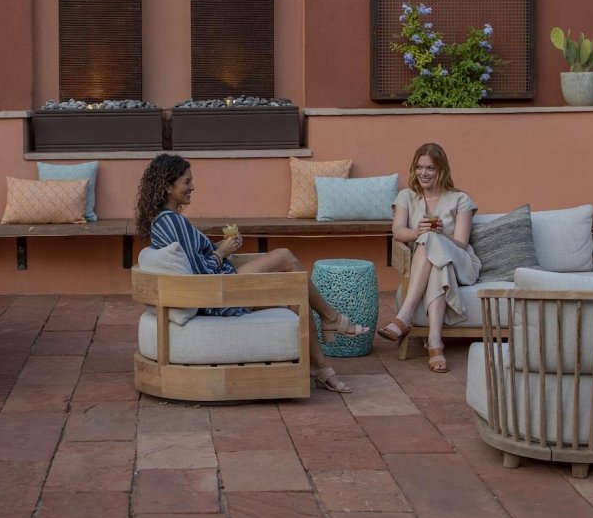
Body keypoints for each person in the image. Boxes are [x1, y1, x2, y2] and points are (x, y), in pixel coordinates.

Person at [134, 153, 369, 393]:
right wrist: (222, 252)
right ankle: (330, 323)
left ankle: (322, 359)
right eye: (186, 182)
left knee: (294, 284)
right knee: (286, 257)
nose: (193, 187)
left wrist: (222, 248)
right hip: (217, 294)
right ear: (166, 186)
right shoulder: (172, 221)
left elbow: (196, 260)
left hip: (219, 283)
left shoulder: (165, 221)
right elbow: (200, 275)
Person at [377, 142, 481, 373]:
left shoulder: (460, 198)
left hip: (460, 262)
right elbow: (398, 231)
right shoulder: (406, 196)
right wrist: (418, 233)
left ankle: (403, 317)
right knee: (433, 259)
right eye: (419, 167)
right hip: (431, 263)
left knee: (432, 242)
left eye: (430, 168)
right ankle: (435, 344)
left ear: (442, 170)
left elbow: (462, 243)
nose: (423, 173)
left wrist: (441, 235)